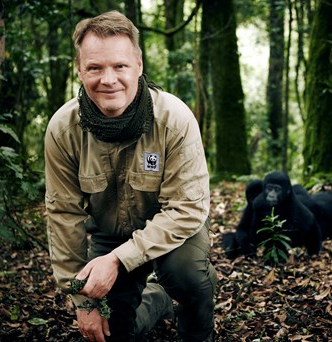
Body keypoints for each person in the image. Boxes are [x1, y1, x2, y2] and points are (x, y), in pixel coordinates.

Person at [44, 10, 216, 342]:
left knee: (186, 275)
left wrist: (120, 260)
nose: (108, 79)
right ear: (80, 70)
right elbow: (63, 216)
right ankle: (158, 298)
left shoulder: (174, 119)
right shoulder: (63, 129)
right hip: (110, 236)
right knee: (114, 333)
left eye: (119, 66)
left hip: (173, 232)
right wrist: (83, 300)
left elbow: (188, 209)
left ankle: (196, 328)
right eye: (95, 67)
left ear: (138, 66)